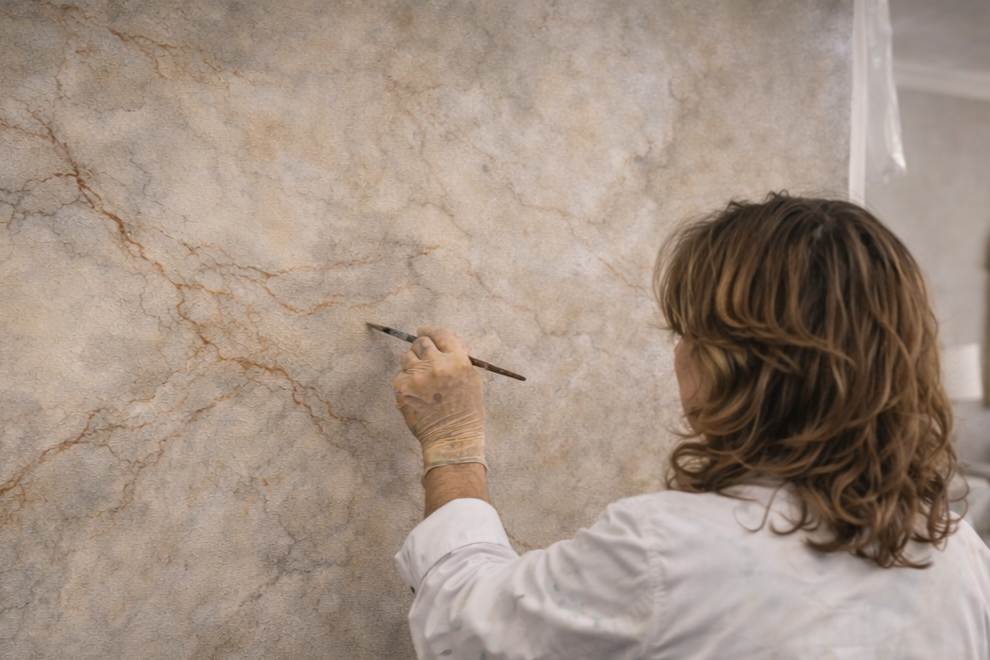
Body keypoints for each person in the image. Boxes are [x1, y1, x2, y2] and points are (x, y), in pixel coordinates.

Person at [390, 193, 990, 659]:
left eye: (687, 332)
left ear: (735, 360)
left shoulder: (667, 552)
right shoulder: (958, 552)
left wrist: (453, 445)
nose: (678, 356)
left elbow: (465, 632)